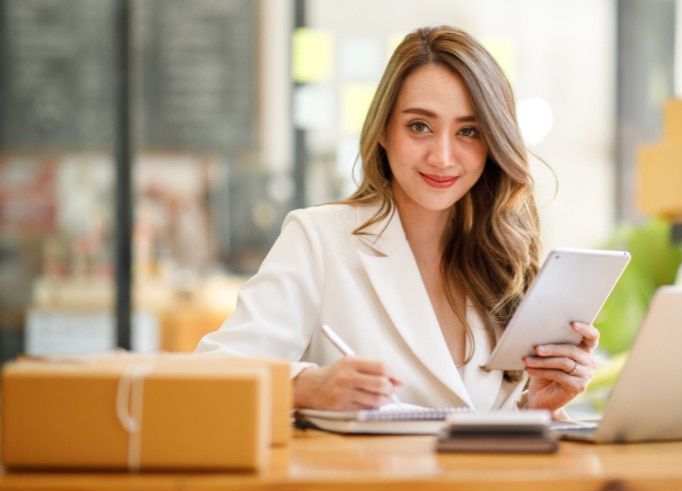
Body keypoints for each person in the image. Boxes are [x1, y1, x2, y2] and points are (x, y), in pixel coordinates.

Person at [194, 25, 598, 420]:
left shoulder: (501, 259)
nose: (442, 156)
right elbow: (210, 376)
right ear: (383, 130)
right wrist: (305, 386)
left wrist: (538, 407)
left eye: (469, 131)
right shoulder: (318, 239)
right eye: (419, 126)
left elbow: (483, 419)